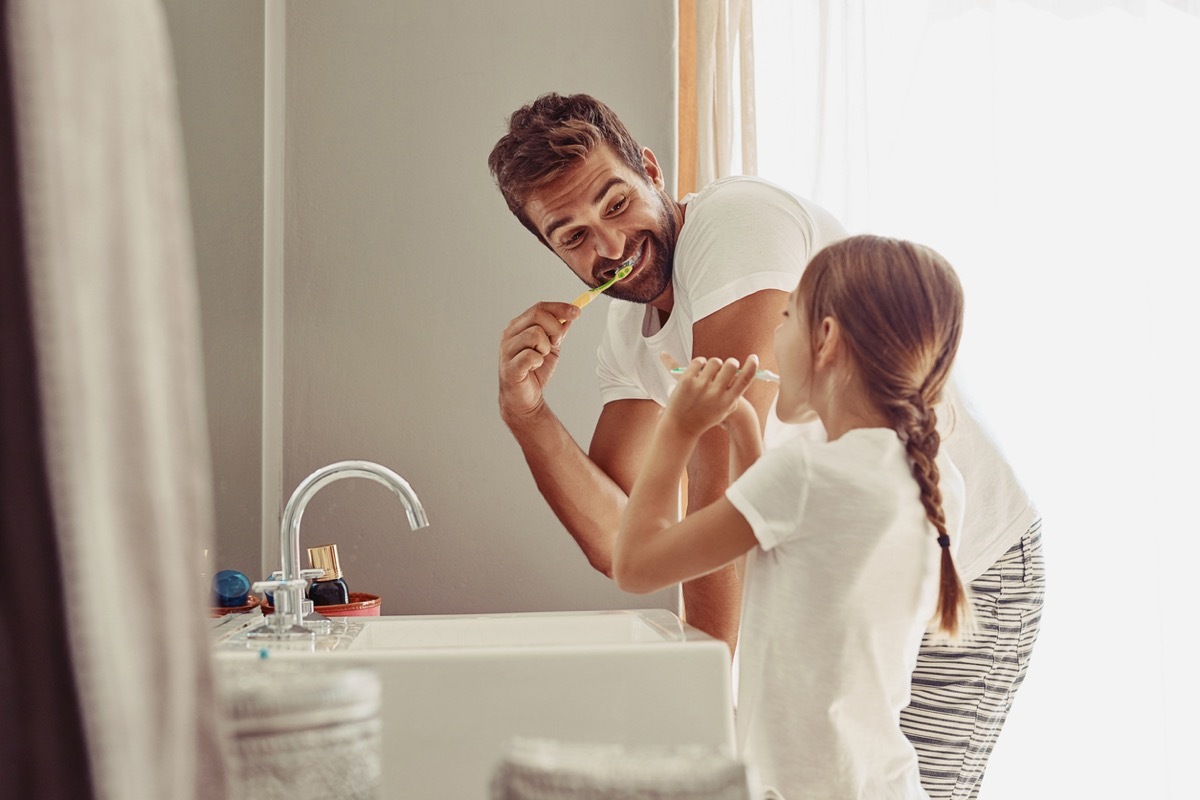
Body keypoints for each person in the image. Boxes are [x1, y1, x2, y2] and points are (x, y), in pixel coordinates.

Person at [489, 93, 1044, 799]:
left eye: (616, 203)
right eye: (572, 236)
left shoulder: (734, 224)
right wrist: (526, 414)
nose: (610, 247)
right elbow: (619, 536)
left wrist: (707, 713)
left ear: (651, 171)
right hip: (845, 590)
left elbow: (708, 487)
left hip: (967, 568)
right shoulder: (630, 339)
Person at [614, 234, 970, 798]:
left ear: (825, 338)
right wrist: (745, 433)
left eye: (786, 317)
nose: (775, 335)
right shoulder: (931, 475)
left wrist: (678, 428)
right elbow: (782, 581)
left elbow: (635, 565)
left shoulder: (805, 475)